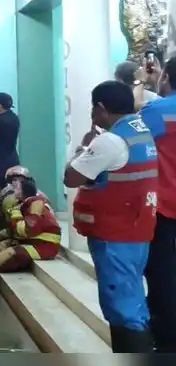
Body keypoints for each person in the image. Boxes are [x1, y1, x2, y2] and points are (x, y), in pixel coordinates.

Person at [64, 80, 158, 353]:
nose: (93, 115)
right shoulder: (140, 130)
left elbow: (71, 177)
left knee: (123, 308)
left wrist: (83, 148)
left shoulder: (110, 141)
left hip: (115, 235)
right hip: (136, 229)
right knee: (132, 302)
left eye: (93, 109)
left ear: (101, 109)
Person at [132, 56, 176, 353]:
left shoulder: (157, 111)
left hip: (165, 209)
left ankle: (167, 341)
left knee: (163, 277)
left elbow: (128, 118)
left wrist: (142, 82)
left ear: (166, 77)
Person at [0, 176, 61, 289]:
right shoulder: (26, 204)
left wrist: (15, 214)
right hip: (34, 241)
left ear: (24, 191)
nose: (13, 190)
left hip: (45, 246)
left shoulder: (35, 204)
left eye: (17, 188)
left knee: (10, 252)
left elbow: (26, 230)